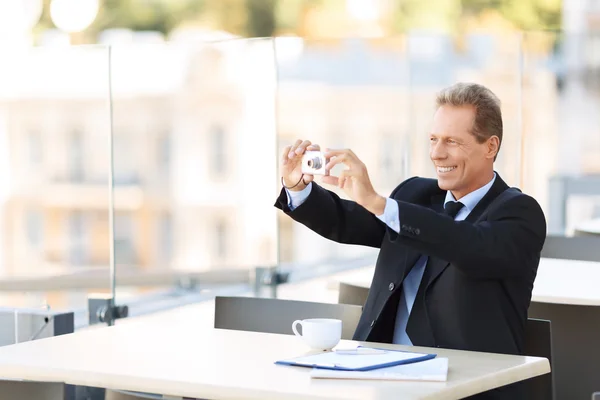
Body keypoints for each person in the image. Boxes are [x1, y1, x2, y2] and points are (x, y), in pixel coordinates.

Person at [274, 82, 546, 399]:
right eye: (433, 139)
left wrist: (378, 202)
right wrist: (298, 189)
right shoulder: (416, 194)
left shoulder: (518, 213)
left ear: (490, 147)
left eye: (452, 142)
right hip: (378, 374)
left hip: (468, 386)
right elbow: (352, 222)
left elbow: (468, 245)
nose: (436, 153)